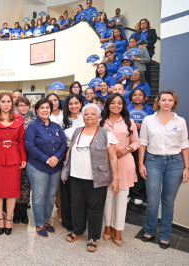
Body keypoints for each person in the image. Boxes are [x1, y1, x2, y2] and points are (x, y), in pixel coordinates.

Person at [63, 103, 120, 252]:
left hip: (97, 179)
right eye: (86, 114)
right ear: (83, 116)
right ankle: (77, 231)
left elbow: (113, 158)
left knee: (95, 209)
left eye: (92, 114)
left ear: (98, 116)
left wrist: (116, 179)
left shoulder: (106, 134)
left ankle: (93, 237)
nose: (89, 116)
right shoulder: (76, 132)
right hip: (76, 177)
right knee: (77, 206)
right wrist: (65, 170)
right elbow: (69, 152)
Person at [139, 90, 189, 249]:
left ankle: (166, 234)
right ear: (158, 102)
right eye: (164, 100)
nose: (167, 102)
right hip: (153, 161)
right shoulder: (148, 120)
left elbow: (184, 145)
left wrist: (187, 166)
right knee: (153, 201)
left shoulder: (180, 121)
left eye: (170, 100)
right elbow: (143, 143)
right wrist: (141, 164)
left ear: (174, 103)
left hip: (175, 163)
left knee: (168, 202)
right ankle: (150, 230)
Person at [99, 93, 139, 247]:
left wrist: (127, 149)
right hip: (106, 164)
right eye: (113, 102)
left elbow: (137, 142)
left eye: (119, 103)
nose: (116, 105)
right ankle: (107, 227)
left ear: (123, 105)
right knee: (108, 198)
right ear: (107, 104)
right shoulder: (101, 122)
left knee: (122, 198)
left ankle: (118, 230)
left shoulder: (129, 122)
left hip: (125, 163)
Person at [0, 92, 26, 235]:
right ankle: (0, 218)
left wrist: (23, 159)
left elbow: (21, 141)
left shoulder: (19, 119)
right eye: (3, 101)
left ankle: (9, 218)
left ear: (12, 104)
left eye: (9, 101)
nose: (6, 104)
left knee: (12, 191)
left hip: (15, 157)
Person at [25, 99, 67, 239]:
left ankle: (46, 221)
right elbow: (30, 146)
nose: (45, 110)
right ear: (36, 110)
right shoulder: (33, 126)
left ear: (51, 109)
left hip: (55, 166)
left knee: (50, 196)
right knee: (38, 197)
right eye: (41, 108)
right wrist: (47, 159)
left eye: (47, 107)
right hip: (38, 166)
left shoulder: (56, 126)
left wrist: (57, 158)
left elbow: (63, 145)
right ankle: (39, 224)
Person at [60, 94, 85, 232]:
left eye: (76, 103)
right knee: (67, 189)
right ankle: (68, 221)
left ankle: (81, 221)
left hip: (84, 156)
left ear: (81, 104)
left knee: (81, 189)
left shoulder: (86, 117)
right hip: (67, 156)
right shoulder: (63, 121)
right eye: (71, 104)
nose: (74, 106)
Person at [127, 88, 154, 205]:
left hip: (143, 144)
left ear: (144, 97)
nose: (137, 97)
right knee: (128, 168)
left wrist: (143, 125)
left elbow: (154, 125)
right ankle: (128, 193)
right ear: (131, 97)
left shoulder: (149, 110)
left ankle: (138, 194)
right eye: (135, 95)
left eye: (140, 95)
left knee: (140, 169)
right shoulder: (126, 108)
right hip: (127, 143)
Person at [13, 97, 35, 224]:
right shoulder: (12, 120)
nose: (23, 107)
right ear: (16, 107)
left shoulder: (33, 121)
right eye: (21, 105)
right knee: (16, 183)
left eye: (26, 105)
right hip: (15, 156)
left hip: (29, 157)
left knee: (26, 185)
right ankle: (16, 211)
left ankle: (24, 211)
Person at [134, 19, 158, 86]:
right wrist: (139, 45)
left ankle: (148, 85)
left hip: (148, 51)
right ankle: (140, 84)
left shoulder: (152, 31)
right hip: (140, 53)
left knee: (147, 69)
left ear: (147, 24)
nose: (143, 24)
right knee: (140, 69)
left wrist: (147, 45)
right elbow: (135, 42)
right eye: (141, 23)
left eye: (144, 23)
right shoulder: (137, 34)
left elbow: (154, 39)